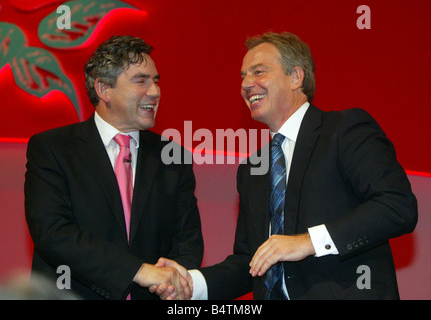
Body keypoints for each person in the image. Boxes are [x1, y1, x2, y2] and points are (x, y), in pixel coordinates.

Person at [154, 31, 418, 300]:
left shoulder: (345, 130)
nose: (246, 84)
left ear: (295, 77)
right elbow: (251, 261)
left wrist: (308, 242)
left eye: (258, 72)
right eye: (243, 76)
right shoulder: (251, 169)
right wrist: (190, 283)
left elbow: (397, 206)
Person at [24, 35, 203, 300]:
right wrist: (138, 271)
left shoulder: (173, 156)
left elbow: (187, 242)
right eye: (141, 81)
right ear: (103, 89)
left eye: (155, 81)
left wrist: (172, 282)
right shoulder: (53, 149)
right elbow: (53, 233)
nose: (154, 91)